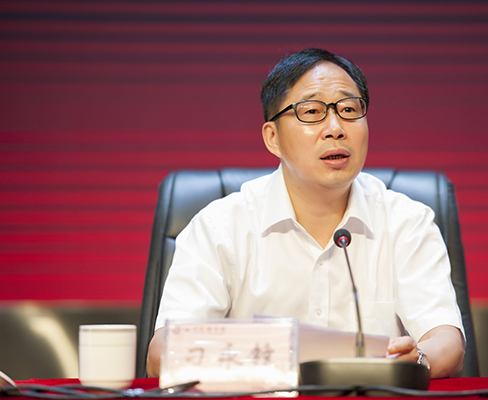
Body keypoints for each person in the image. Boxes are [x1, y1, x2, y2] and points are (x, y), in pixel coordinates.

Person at [147, 48, 464, 379]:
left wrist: (416, 361)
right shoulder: (220, 227)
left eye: (349, 109)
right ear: (273, 138)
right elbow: (160, 355)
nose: (335, 128)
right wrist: (263, 360)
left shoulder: (407, 222)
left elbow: (447, 343)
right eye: (312, 112)